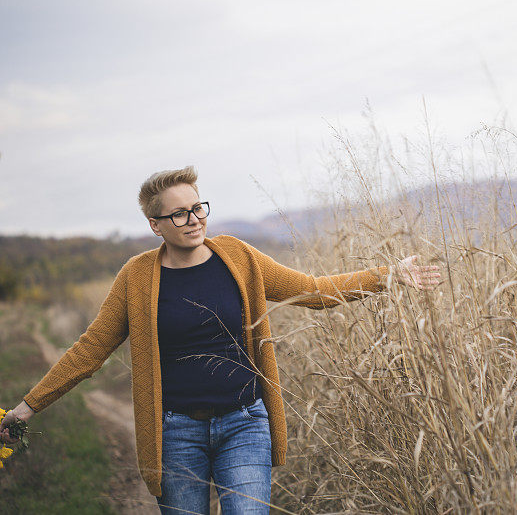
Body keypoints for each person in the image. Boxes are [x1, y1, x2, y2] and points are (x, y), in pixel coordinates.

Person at [0, 166, 440, 514]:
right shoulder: (136, 277)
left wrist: (388, 276)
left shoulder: (239, 257)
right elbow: (90, 349)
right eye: (179, 213)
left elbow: (313, 290)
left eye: (198, 207)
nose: (194, 220)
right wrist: (25, 408)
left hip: (245, 423)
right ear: (156, 225)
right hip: (174, 433)